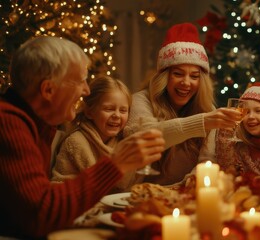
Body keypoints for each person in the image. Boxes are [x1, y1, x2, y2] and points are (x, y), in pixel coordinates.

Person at [0, 36, 165, 238]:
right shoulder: (7, 122)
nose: (86, 90)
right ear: (48, 90)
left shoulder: (39, 125)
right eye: (80, 80)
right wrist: (115, 164)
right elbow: (41, 214)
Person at [125, 22, 241, 185]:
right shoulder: (140, 100)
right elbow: (144, 136)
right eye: (178, 74)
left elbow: (206, 161)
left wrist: (184, 187)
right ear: (164, 77)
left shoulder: (207, 109)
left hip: (181, 197)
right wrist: (201, 122)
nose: (186, 83)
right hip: (138, 196)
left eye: (194, 76)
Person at [51, 76, 140, 193]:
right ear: (89, 112)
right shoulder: (75, 142)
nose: (117, 115)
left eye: (123, 110)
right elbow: (58, 187)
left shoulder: (122, 141)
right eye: (109, 109)